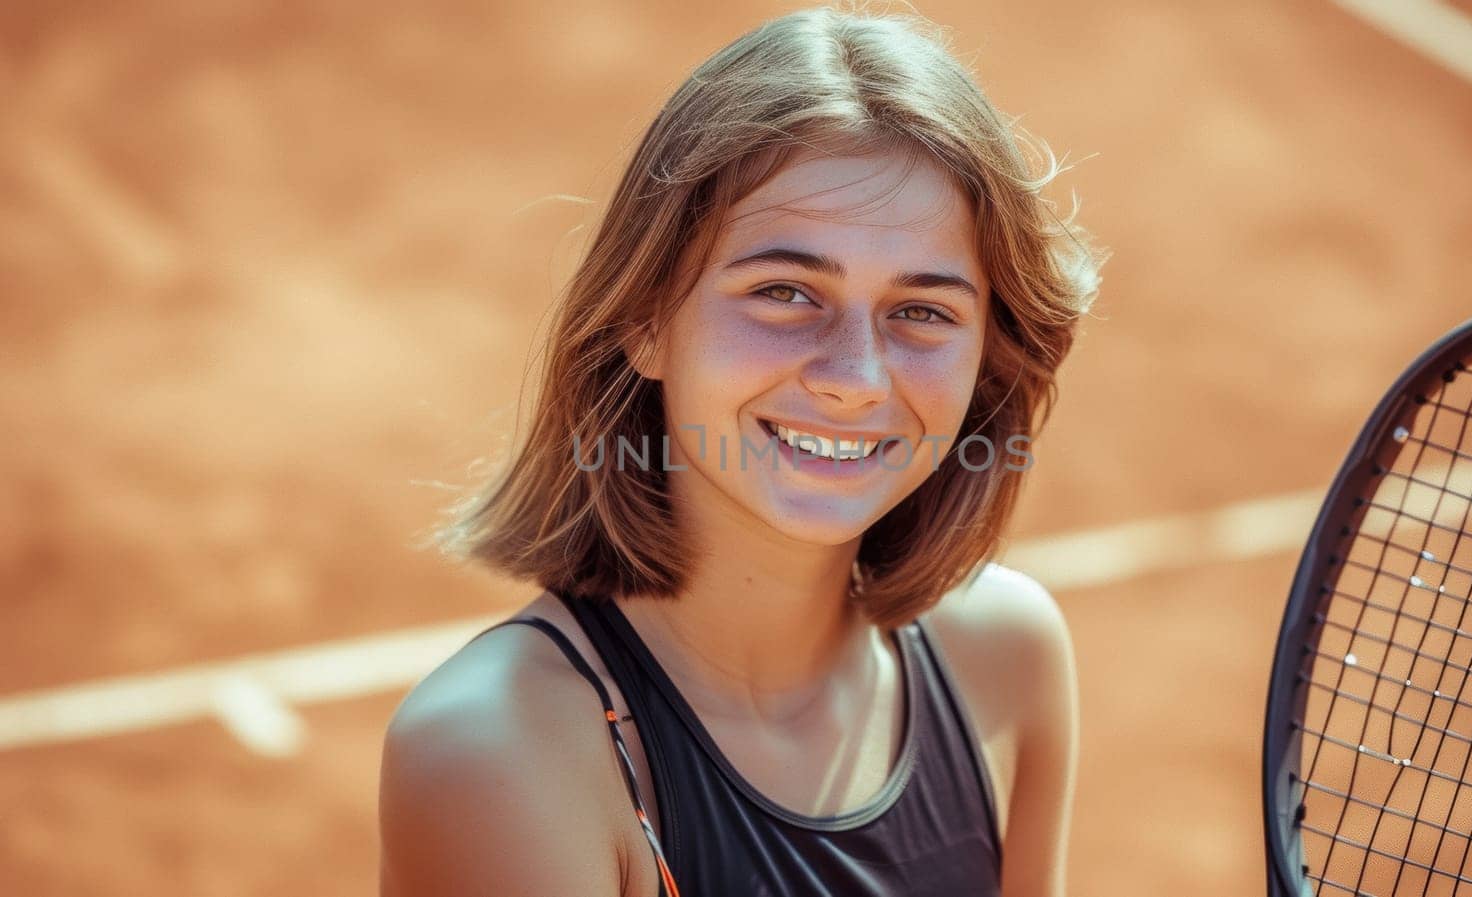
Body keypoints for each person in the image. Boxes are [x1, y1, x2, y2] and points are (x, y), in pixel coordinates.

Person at [379, 5, 1102, 896]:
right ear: (646, 320)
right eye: (786, 291)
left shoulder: (1006, 653)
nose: (857, 378)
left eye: (923, 311)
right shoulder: (502, 755)